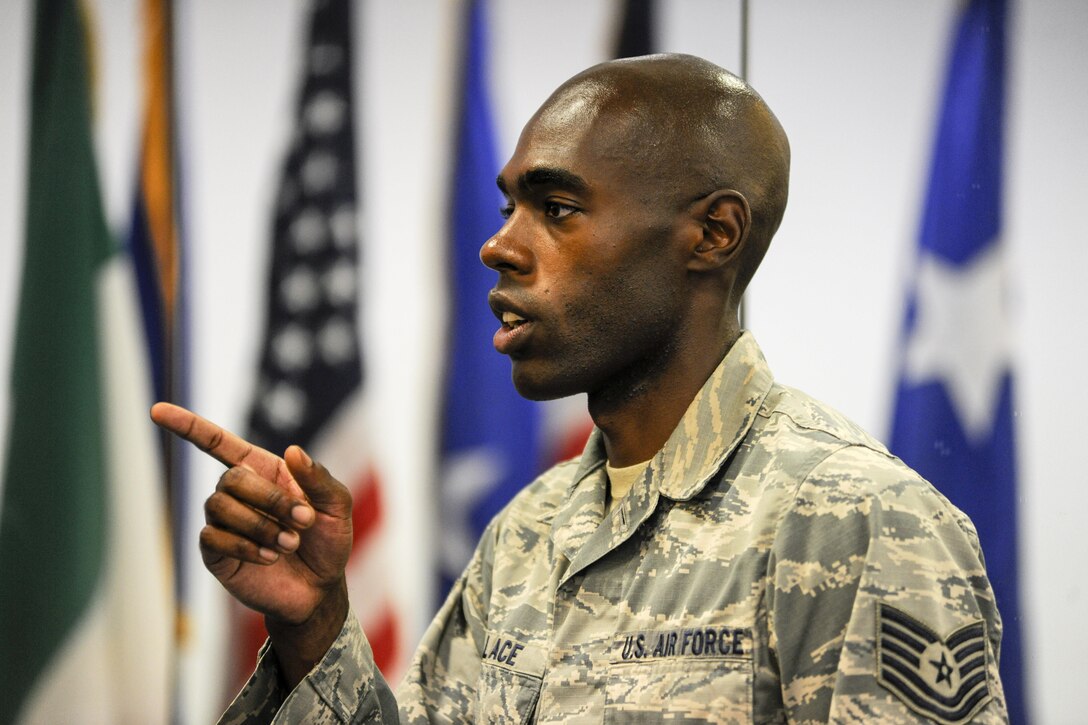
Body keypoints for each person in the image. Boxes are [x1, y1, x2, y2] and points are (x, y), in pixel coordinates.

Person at [152, 54, 1008, 723]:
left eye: (557, 208)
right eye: (507, 210)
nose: (500, 248)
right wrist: (315, 622)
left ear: (712, 233)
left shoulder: (853, 521)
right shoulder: (529, 534)